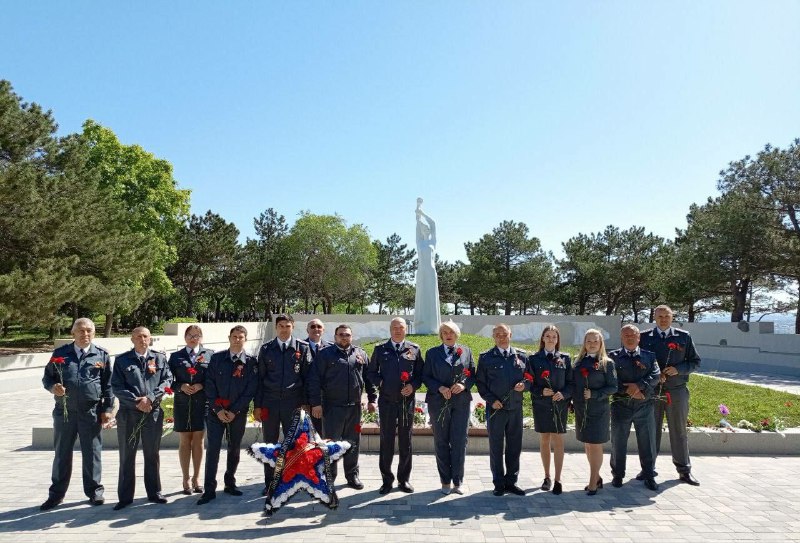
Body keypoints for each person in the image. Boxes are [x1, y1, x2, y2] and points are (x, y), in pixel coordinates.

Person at [40, 318, 113, 510]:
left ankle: (95, 492)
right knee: (62, 454)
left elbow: (108, 385)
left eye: (89, 330)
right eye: (81, 331)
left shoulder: (102, 355)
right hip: (65, 412)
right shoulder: (60, 354)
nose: (85, 334)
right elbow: (47, 377)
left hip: (91, 413)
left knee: (92, 453)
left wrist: (107, 410)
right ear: (73, 333)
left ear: (94, 333)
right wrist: (53, 387)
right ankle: (56, 495)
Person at [110, 327, 172, 510]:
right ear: (132, 339)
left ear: (150, 339)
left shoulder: (159, 358)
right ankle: (125, 497)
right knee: (127, 455)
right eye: (138, 336)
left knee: (152, 454)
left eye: (145, 336)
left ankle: (154, 492)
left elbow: (167, 380)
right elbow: (116, 386)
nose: (142, 339)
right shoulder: (122, 360)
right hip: (129, 413)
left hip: (152, 413)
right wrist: (137, 402)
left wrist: (150, 399)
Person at [307, 324, 376, 490]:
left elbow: (369, 379)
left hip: (354, 407)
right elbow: (314, 380)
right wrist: (316, 403)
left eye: (347, 335)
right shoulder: (325, 354)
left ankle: (352, 476)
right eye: (341, 335)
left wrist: (372, 399)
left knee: (353, 443)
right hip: (332, 407)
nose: (344, 337)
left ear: (352, 336)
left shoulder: (360, 353)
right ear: (335, 336)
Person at [639, 304, 702, 486]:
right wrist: (652, 375)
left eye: (667, 316)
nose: (663, 319)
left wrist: (678, 369)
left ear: (672, 317)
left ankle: (684, 471)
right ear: (654, 317)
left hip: (677, 390)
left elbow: (695, 362)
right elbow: (639, 361)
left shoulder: (683, 337)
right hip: (653, 391)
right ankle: (648, 469)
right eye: (660, 316)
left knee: (679, 431)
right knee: (651, 431)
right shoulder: (644, 337)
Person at [197, 325, 258, 504]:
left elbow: (250, 389)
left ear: (245, 339)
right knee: (213, 450)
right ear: (229, 338)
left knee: (234, 448)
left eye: (241, 337)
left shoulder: (251, 362)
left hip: (237, 414)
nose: (237, 339)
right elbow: (209, 385)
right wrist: (218, 410)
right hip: (216, 413)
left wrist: (234, 411)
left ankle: (230, 483)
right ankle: (209, 489)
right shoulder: (216, 359)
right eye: (234, 336)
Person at [253, 314, 311, 495]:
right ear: (275, 328)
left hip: (293, 402)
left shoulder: (302, 348)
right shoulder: (266, 349)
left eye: (287, 326)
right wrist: (257, 405)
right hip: (269, 402)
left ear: (293, 327)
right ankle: (270, 482)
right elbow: (259, 380)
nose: (284, 329)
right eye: (281, 326)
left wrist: (305, 404)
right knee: (270, 444)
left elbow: (307, 378)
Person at [368, 317, 424, 494]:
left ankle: (404, 479)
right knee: (387, 441)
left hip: (406, 403)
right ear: (390, 330)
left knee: (406, 441)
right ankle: (386, 480)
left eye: (401, 327)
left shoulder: (414, 349)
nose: (398, 330)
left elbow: (421, 374)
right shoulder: (380, 349)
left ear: (406, 329)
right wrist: (381, 383)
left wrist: (413, 386)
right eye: (394, 327)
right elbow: (371, 372)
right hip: (386, 401)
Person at [475, 323, 529, 497]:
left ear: (510, 334)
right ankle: (498, 483)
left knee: (514, 447)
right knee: (496, 447)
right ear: (493, 337)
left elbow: (531, 379)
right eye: (497, 334)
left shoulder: (521, 356)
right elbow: (481, 383)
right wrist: (492, 400)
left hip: (515, 409)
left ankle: (511, 482)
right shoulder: (486, 358)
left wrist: (525, 385)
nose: (501, 337)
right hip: (496, 409)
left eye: (504, 334)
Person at [423, 321, 476, 495]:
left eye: (451, 332)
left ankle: (457, 481)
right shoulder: (432, 353)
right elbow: (426, 376)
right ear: (441, 335)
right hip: (438, 403)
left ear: (457, 334)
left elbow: (472, 373)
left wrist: (463, 385)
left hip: (460, 403)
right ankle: (445, 481)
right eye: (444, 332)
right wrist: (439, 387)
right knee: (441, 441)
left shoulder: (466, 351)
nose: (448, 334)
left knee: (460, 441)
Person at [608, 325, 661, 491]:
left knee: (647, 442)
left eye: (633, 335)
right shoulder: (612, 356)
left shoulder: (649, 356)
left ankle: (649, 474)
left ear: (639, 338)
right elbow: (610, 378)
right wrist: (627, 390)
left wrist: (639, 387)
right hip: (621, 405)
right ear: (621, 338)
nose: (630, 338)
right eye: (626, 335)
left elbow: (655, 375)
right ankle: (618, 474)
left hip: (644, 405)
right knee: (618, 441)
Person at [168, 325, 214, 495]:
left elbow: (214, 378)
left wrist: (202, 385)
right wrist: (181, 386)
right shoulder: (175, 357)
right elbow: (167, 380)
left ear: (201, 338)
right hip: (182, 403)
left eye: (197, 335)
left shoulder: (209, 354)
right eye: (190, 335)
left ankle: (197, 478)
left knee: (199, 440)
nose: (193, 338)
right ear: (185, 337)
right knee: (185, 440)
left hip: (202, 402)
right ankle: (185, 477)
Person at [526, 325, 572, 495]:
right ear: (543, 339)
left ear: (557, 339)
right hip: (542, 405)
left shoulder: (565, 359)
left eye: (554, 336)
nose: (551, 339)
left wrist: (564, 394)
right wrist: (540, 391)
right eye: (548, 336)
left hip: (559, 405)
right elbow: (529, 383)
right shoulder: (534, 359)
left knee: (558, 440)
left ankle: (558, 479)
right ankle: (547, 476)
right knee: (545, 439)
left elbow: (571, 383)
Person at [572, 328, 617, 495]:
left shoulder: (607, 363)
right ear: (584, 343)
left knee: (596, 444)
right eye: (588, 341)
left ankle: (592, 482)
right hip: (582, 410)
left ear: (601, 343)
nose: (592, 344)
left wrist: (595, 394)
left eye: (595, 341)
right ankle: (596, 477)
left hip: (599, 410)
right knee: (588, 444)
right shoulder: (577, 362)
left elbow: (614, 387)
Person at [413, 198, 441, 334]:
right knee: (422, 296)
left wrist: (422, 212)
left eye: (426, 229)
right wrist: (417, 210)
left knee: (431, 296)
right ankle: (422, 325)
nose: (425, 229)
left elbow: (433, 223)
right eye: (423, 228)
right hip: (421, 272)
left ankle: (433, 326)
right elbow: (417, 223)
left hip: (430, 271)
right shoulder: (419, 243)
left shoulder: (432, 242)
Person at [305, 318, 332, 435]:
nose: (316, 329)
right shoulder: (300, 347)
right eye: (312, 327)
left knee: (325, 434)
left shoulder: (331, 349)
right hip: (305, 399)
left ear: (323, 330)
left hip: (328, 399)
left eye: (319, 327)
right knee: (307, 435)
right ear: (307, 330)